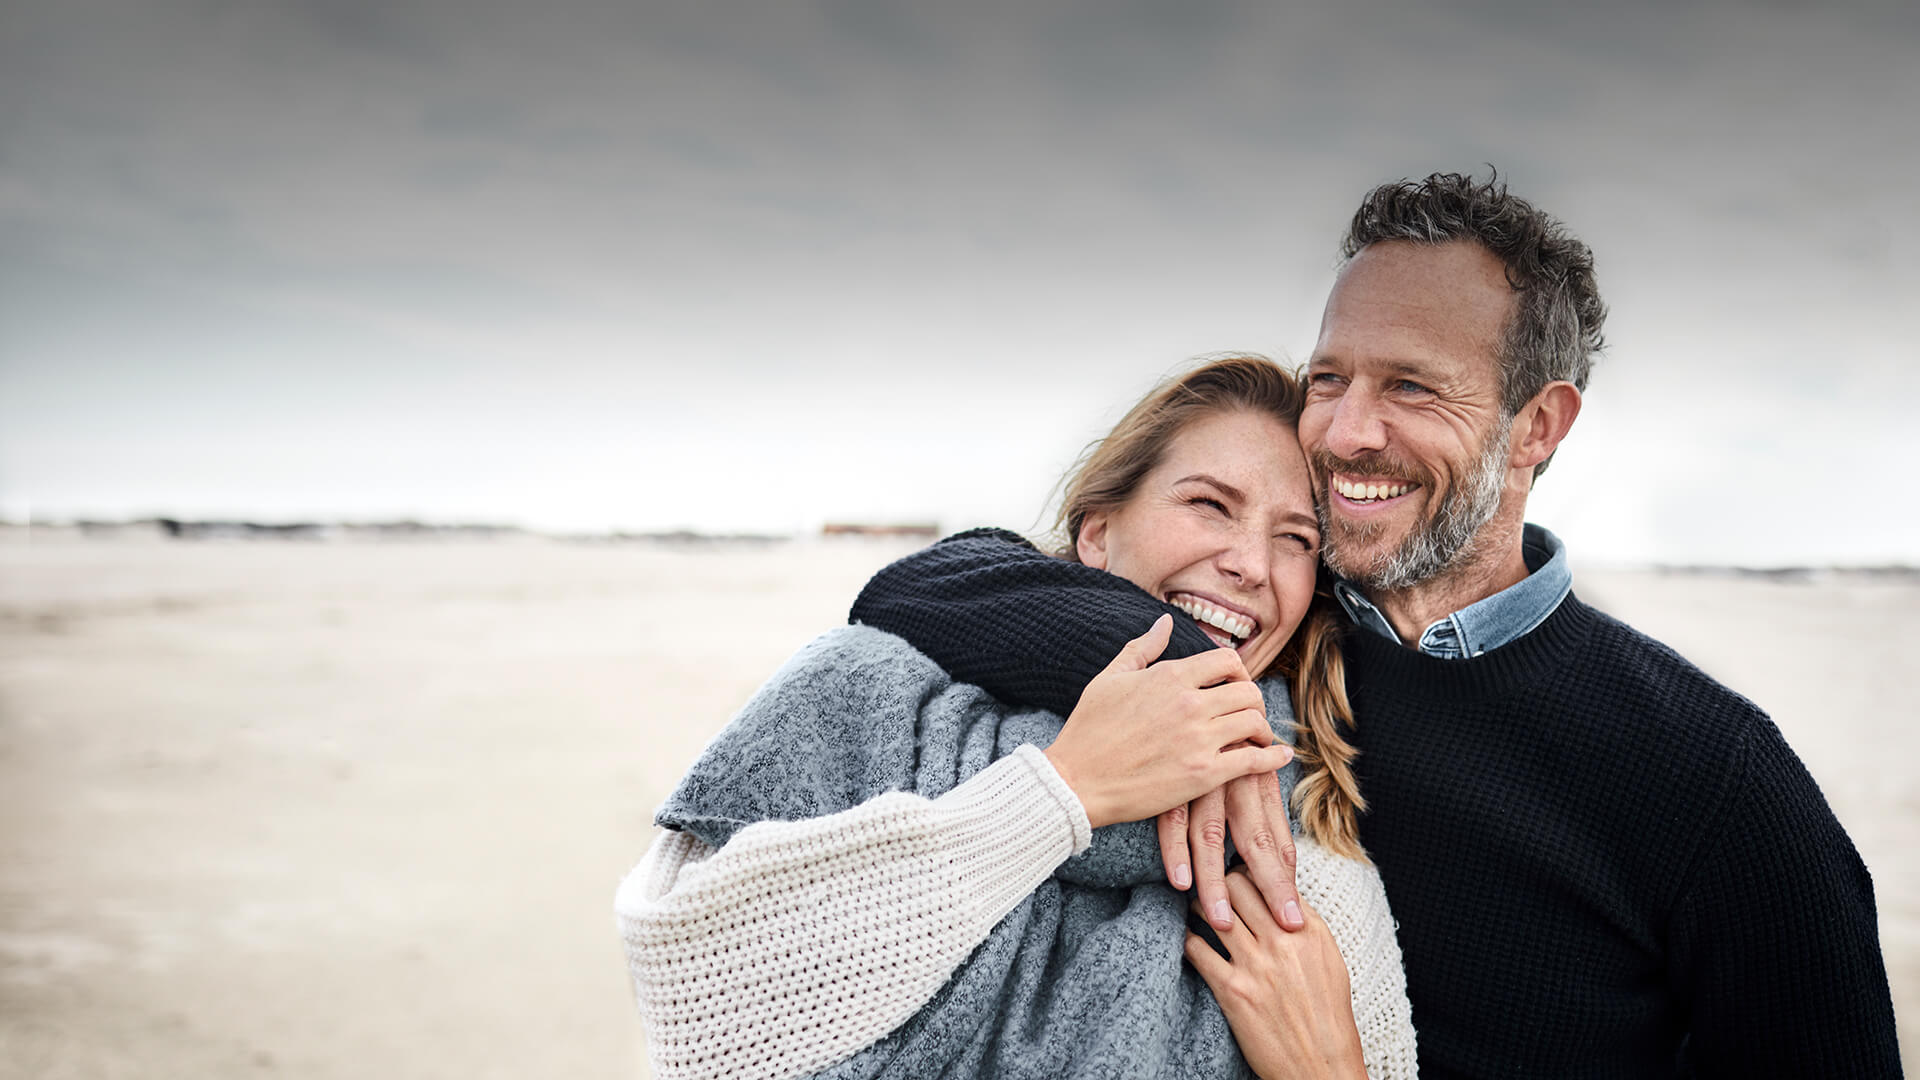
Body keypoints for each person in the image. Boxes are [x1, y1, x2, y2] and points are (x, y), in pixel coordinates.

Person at [850, 173, 1904, 1077]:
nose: (1349, 433)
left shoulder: (1714, 780)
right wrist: (1190, 682)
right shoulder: (1266, 629)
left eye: (1412, 387)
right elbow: (920, 590)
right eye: (1330, 380)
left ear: (1537, 424)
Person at [616, 357, 1418, 1080]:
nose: (1249, 562)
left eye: (1295, 538)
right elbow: (691, 1010)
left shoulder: (1303, 825)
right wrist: (1061, 792)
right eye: (1210, 504)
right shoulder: (864, 685)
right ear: (1098, 533)